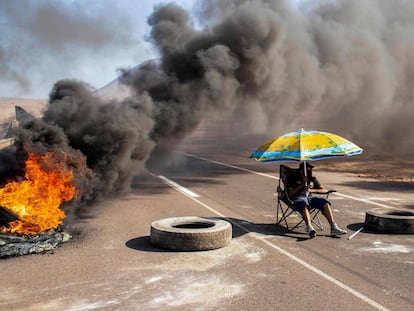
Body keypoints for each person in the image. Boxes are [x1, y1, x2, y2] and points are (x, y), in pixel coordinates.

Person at [287, 162, 347, 238]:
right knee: (303, 203)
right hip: (298, 199)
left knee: (324, 203)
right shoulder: (293, 178)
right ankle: (309, 227)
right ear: (301, 171)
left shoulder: (312, 179)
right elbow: (290, 194)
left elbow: (324, 190)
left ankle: (333, 227)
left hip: (310, 198)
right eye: (308, 169)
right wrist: (302, 184)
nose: (310, 170)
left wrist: (312, 191)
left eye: (310, 169)